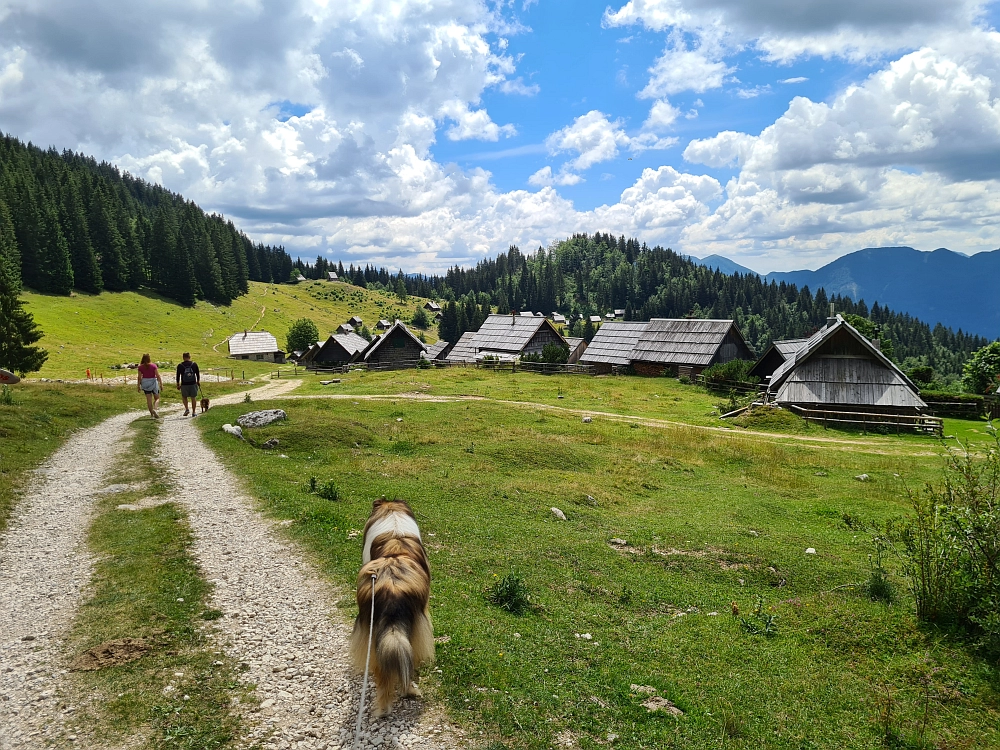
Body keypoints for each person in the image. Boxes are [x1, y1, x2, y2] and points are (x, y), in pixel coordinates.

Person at [175, 352, 201, 416]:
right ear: (189, 357)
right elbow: (197, 373)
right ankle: (194, 412)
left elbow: (178, 375)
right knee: (193, 397)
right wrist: (198, 381)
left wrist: (178, 384)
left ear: (183, 357)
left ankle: (187, 409)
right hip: (193, 383)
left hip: (184, 384)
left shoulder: (180, 365)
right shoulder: (194, 364)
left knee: (184, 397)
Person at [137, 353, 162, 418]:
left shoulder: (140, 367)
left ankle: (151, 414)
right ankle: (155, 409)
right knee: (157, 398)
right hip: (153, 381)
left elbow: (139, 377)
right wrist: (161, 384)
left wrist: (138, 386)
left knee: (149, 399)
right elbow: (157, 375)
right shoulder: (153, 366)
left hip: (145, 382)